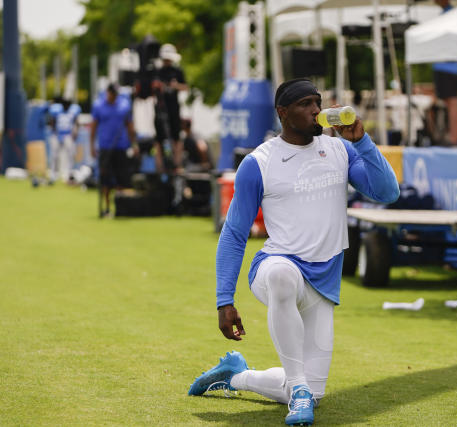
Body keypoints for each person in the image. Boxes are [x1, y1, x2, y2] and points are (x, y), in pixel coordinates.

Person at [188, 78, 400, 426]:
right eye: (305, 104)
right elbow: (235, 233)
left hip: (323, 283)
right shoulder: (259, 163)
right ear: (282, 113)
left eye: (318, 102)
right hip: (276, 269)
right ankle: (298, 392)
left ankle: (236, 376)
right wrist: (224, 300)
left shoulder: (339, 150)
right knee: (284, 277)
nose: (316, 110)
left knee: (313, 392)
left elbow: (387, 192)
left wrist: (362, 141)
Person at [90, 83, 137, 217]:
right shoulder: (98, 105)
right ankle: (106, 207)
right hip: (105, 147)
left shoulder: (124, 105)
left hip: (121, 147)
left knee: (121, 179)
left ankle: (119, 208)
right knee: (105, 180)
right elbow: (93, 127)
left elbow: (130, 126)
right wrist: (92, 146)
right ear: (107, 92)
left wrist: (134, 144)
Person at [433, 0, 457, 147]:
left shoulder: (452, 14)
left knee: (453, 102)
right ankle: (453, 138)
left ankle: (454, 139)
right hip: (444, 66)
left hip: (449, 66)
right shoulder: (447, 14)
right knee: (450, 102)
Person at [153, 43, 188, 172]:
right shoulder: (157, 72)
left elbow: (185, 87)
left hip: (174, 109)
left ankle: (176, 164)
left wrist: (175, 86)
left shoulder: (177, 71)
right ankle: (160, 166)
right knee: (159, 139)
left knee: (176, 137)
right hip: (160, 109)